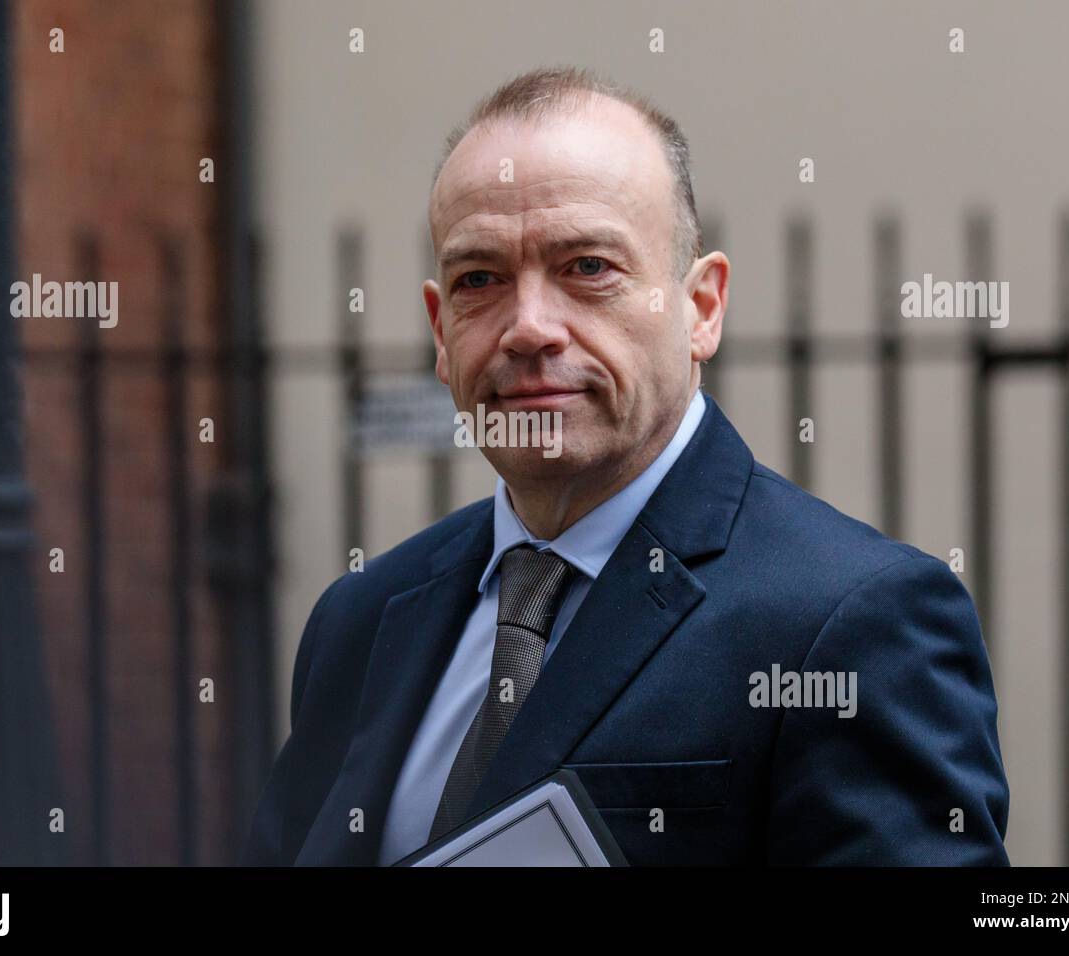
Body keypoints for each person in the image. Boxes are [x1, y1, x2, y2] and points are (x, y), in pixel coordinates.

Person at [242, 66, 1010, 866]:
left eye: (588, 268)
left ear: (701, 307)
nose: (529, 327)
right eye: (481, 280)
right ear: (441, 331)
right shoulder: (361, 620)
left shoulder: (853, 621)